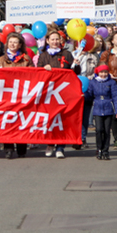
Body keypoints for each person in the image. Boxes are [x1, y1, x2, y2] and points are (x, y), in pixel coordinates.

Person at [37, 30, 77, 158]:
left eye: (57, 39)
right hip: (48, 92)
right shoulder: (43, 56)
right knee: (49, 119)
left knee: (62, 120)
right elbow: (37, 73)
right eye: (52, 39)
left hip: (64, 92)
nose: (55, 42)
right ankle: (50, 143)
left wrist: (76, 65)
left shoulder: (67, 54)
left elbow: (74, 73)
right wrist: (44, 70)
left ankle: (60, 147)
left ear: (61, 41)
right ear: (47, 41)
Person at [0, 33, 34, 159]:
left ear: (20, 44)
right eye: (10, 42)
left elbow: (34, 76)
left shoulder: (26, 59)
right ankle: (8, 148)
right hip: (6, 95)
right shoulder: (1, 60)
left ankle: (21, 148)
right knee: (7, 122)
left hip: (22, 95)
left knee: (20, 121)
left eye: (15, 42)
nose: (12, 44)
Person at [85, 64, 117, 160]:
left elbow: (116, 97)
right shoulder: (93, 82)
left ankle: (106, 150)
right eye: (101, 72)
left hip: (108, 108)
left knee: (106, 131)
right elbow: (89, 95)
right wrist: (84, 95)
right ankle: (99, 149)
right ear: (97, 73)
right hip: (97, 108)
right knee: (99, 130)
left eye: (105, 72)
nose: (103, 74)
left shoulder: (111, 83)